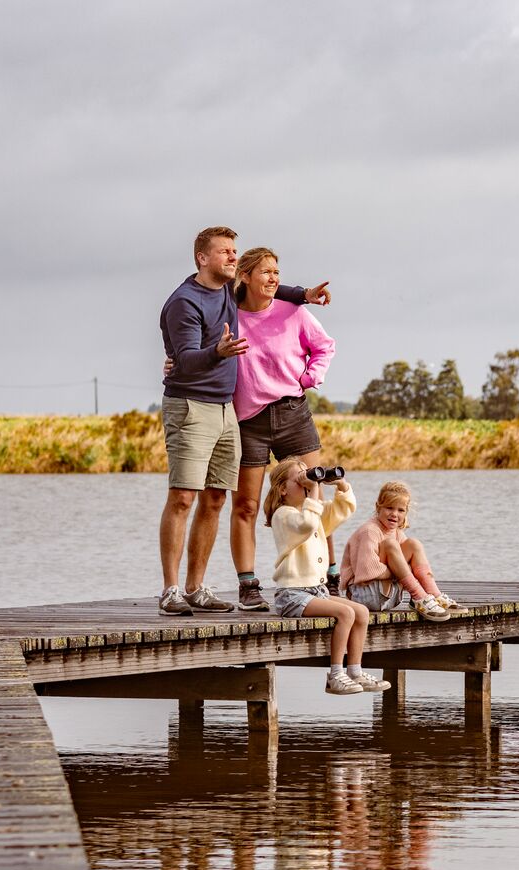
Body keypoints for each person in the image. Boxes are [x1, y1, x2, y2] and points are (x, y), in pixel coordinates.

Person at [157, 225, 330, 616]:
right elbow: (183, 359)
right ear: (202, 258)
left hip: (227, 411)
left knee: (216, 498)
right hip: (191, 406)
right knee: (183, 497)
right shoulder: (185, 301)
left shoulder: (228, 294)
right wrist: (217, 352)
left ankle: (196, 587)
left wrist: (303, 295)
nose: (234, 257)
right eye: (225, 252)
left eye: (235, 252)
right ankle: (170, 591)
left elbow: (268, 291)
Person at [228, 246, 337, 612]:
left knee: (315, 496)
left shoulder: (293, 312)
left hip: (293, 413)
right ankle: (248, 586)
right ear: (244, 276)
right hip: (249, 422)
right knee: (245, 505)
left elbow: (324, 347)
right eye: (265, 272)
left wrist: (310, 376)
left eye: (277, 272)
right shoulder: (226, 313)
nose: (274, 278)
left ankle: (330, 576)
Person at [262, 458, 388, 695]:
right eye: (300, 479)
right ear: (282, 489)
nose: (308, 483)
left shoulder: (311, 513)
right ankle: (336, 674)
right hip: (293, 595)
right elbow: (307, 524)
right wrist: (313, 490)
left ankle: (355, 670)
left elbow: (342, 510)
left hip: (315, 592)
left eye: (308, 477)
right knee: (346, 612)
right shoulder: (283, 515)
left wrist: (341, 486)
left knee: (361, 612)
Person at [336, 481, 462, 621]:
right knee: (391, 545)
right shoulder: (369, 531)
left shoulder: (396, 532)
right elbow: (366, 571)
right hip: (363, 596)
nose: (394, 514)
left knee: (414, 544)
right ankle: (419, 596)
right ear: (378, 507)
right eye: (389, 508)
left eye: (400, 510)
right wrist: (400, 569)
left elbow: (405, 565)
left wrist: (402, 568)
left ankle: (434, 595)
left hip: (391, 598)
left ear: (406, 512)